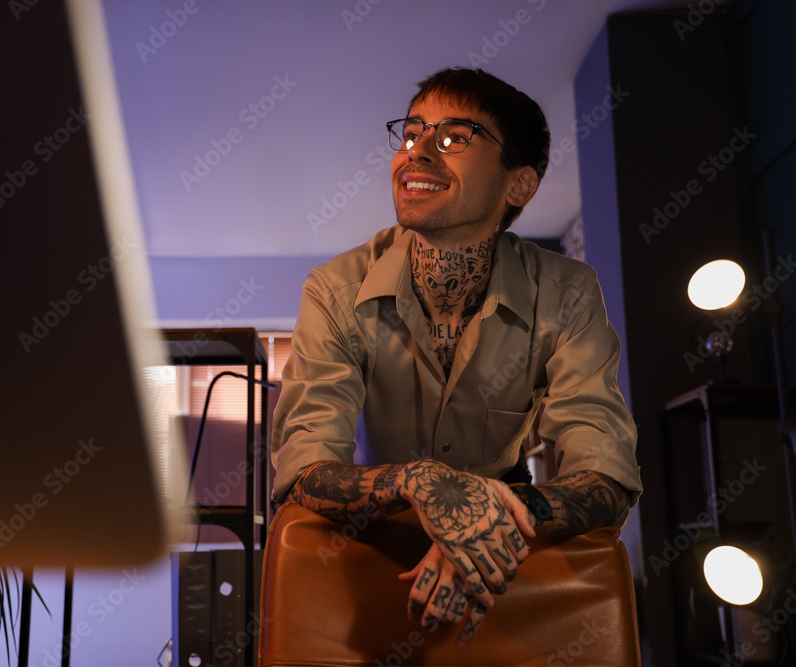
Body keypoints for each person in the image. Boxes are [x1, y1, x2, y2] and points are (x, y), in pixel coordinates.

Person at [270, 67, 643, 647]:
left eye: (454, 138)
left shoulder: (568, 292)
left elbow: (606, 474)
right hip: (374, 531)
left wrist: (494, 520)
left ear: (517, 186)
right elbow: (303, 469)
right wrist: (422, 482)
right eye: (411, 132)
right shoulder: (335, 289)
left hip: (515, 525)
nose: (415, 152)